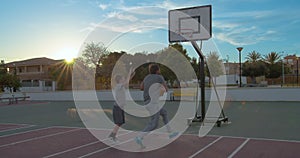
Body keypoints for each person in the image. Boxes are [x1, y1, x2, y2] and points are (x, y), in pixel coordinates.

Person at [135, 63, 178, 148]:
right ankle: (139, 137)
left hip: (147, 102)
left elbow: (141, 88)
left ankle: (170, 133)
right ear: (157, 70)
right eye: (159, 69)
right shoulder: (159, 77)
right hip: (153, 103)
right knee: (154, 124)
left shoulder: (146, 77)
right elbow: (166, 89)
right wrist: (159, 89)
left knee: (164, 113)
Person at [108, 67, 135, 142]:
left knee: (120, 123)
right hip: (117, 107)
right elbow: (126, 82)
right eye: (123, 78)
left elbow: (127, 82)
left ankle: (113, 135)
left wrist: (132, 75)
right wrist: (130, 72)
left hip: (120, 107)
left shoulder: (121, 86)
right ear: (119, 80)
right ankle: (112, 136)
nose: (124, 79)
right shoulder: (118, 86)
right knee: (119, 122)